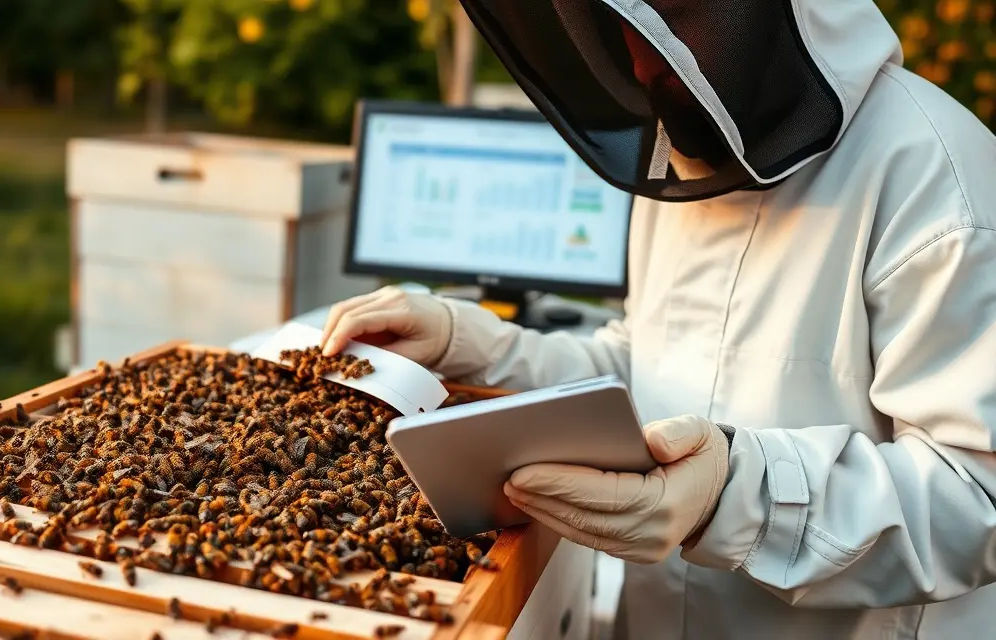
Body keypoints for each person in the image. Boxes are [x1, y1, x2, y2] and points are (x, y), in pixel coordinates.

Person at [320, 1, 996, 638]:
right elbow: (647, 368)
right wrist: (475, 344)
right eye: (614, 19)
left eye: (671, 17)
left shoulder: (940, 178)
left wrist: (733, 498)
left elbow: (975, 499)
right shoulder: (687, 153)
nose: (641, 61)